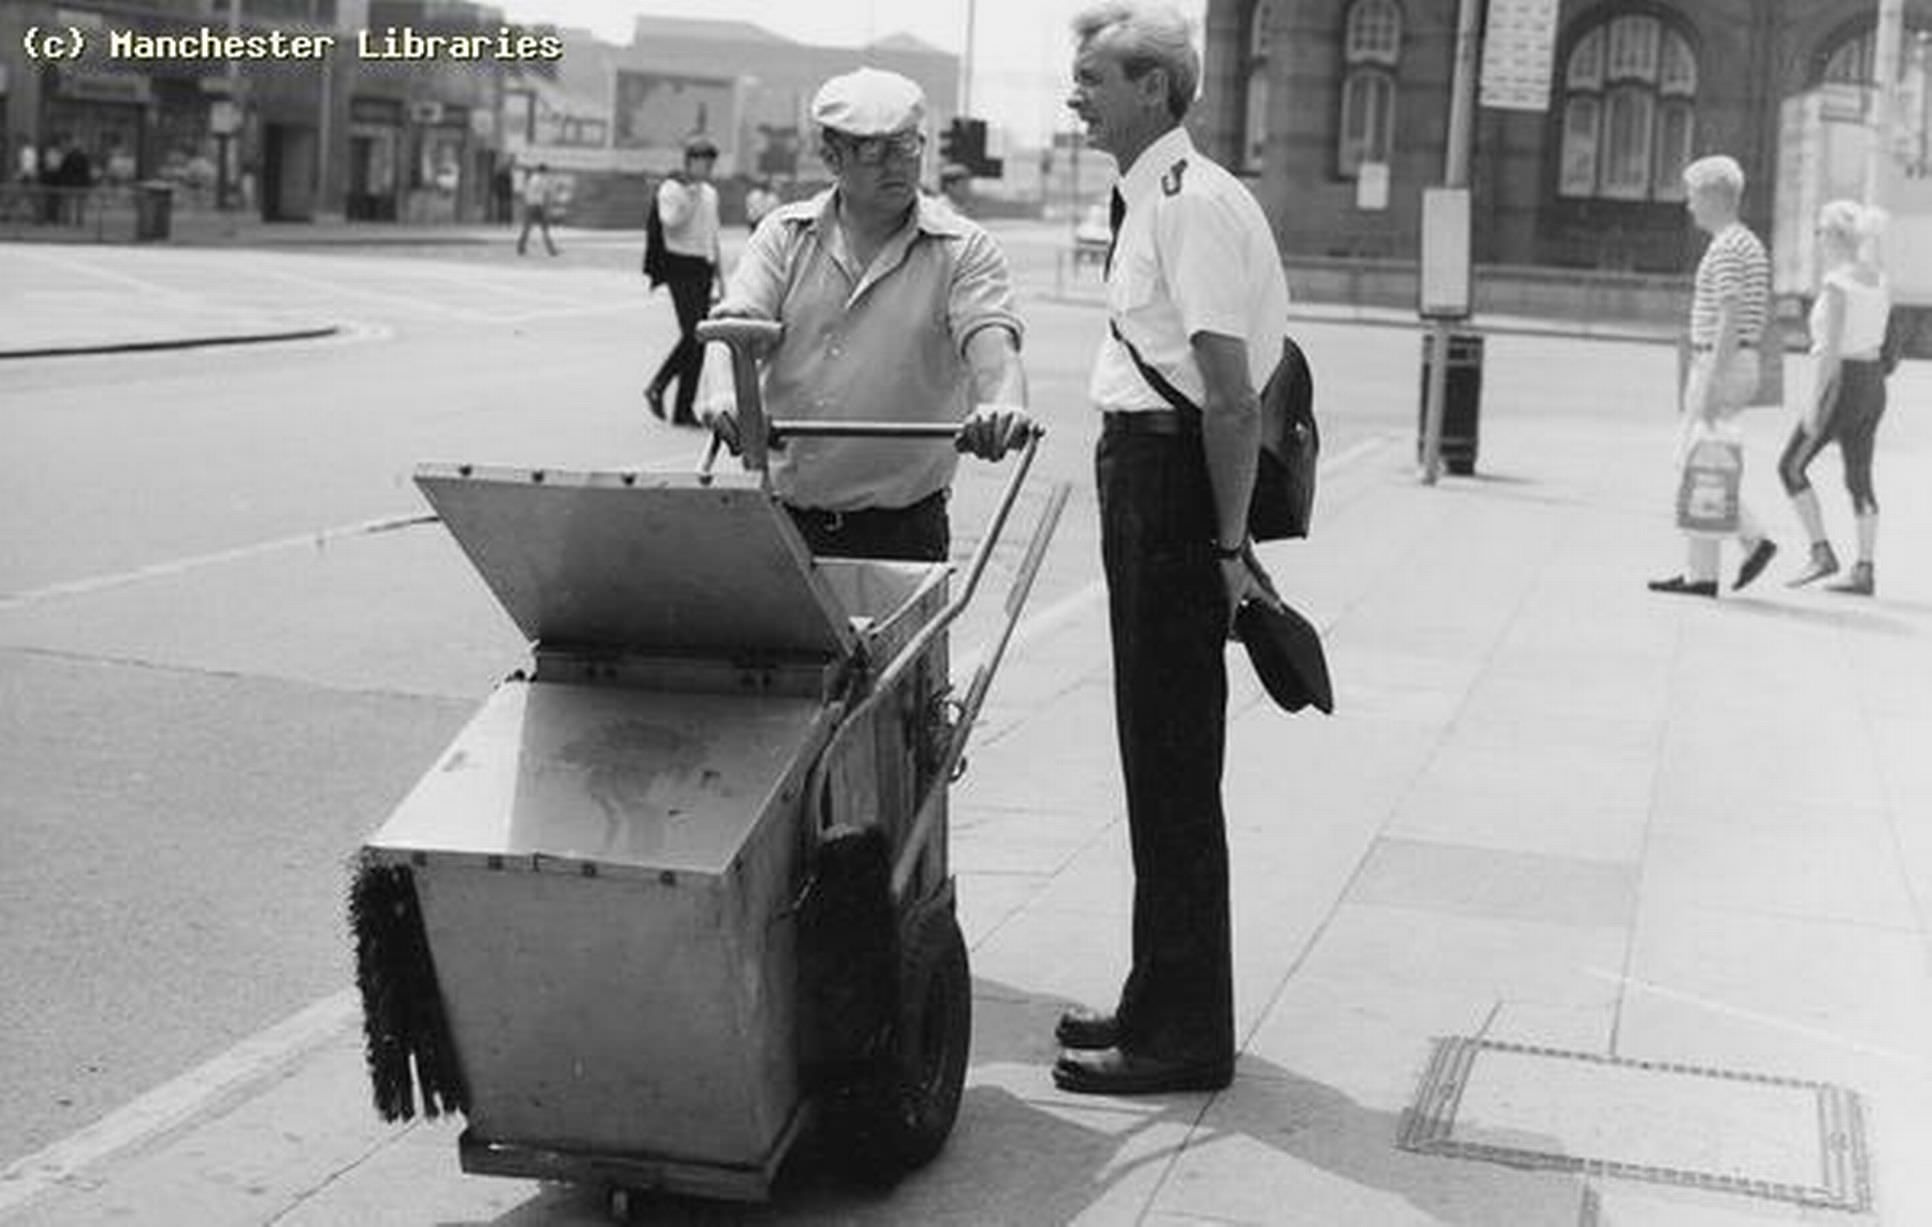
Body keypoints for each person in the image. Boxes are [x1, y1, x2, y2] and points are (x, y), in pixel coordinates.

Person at [1051, 0, 1289, 1096]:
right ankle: (1160, 998)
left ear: (1154, 88)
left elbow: (1233, 399)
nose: (1075, 93)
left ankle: (1183, 1037)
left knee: (1174, 768)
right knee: (1160, 760)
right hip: (1151, 477)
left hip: (1168, 486)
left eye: (1093, 76)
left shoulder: (1185, 208)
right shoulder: (1163, 195)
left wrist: (1228, 544)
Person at [708, 67, 1035, 562]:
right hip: (781, 521)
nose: (896, 165)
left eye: (907, 146)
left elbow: (993, 346)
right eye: (873, 150)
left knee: (901, 645)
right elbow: (734, 330)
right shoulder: (783, 235)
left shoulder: (963, 250)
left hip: (904, 533)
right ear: (831, 156)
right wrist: (725, 394)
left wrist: (1003, 405)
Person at [1649, 155, 1778, 599]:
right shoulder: (1748, 243)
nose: (1689, 206)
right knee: (1705, 464)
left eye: (1692, 196)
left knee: (1694, 461)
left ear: (1713, 195)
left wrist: (1709, 381)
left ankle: (1752, 540)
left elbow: (1730, 315)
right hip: (1735, 360)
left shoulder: (1727, 248)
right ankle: (1701, 573)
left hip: (1719, 361)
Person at [1778, 200, 1892, 596]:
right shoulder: (1878, 278)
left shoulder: (1837, 282)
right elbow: (1883, 335)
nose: (1817, 239)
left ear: (1836, 236)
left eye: (1820, 232)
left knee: (1791, 466)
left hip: (1842, 380)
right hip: (1874, 381)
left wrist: (1814, 401)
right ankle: (1864, 569)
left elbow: (1830, 348)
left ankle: (1821, 551)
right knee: (1859, 474)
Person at [645, 136, 724, 427]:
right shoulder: (672, 189)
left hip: (702, 267)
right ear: (689, 162)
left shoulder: (711, 194)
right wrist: (689, 195)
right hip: (679, 266)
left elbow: (711, 235)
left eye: (710, 162)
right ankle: (658, 384)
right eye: (701, 161)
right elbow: (671, 222)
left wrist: (718, 275)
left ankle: (683, 409)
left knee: (700, 341)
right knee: (693, 334)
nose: (706, 167)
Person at [515, 162, 558, 257]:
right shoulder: (541, 180)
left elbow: (525, 192)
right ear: (543, 171)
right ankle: (551, 250)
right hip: (538, 206)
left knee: (527, 227)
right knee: (544, 229)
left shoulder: (531, 179)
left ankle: (520, 247)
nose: (547, 174)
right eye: (546, 172)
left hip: (529, 205)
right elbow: (546, 193)